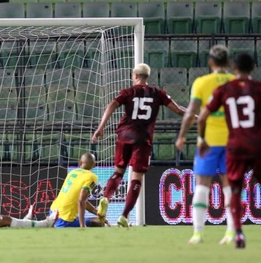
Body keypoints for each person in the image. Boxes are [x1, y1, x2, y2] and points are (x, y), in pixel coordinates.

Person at [92, 63, 190, 228]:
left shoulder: (128, 92)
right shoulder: (158, 93)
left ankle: (106, 198)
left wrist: (101, 127)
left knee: (119, 172)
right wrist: (196, 115)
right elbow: (179, 110)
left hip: (124, 135)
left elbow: (111, 105)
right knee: (136, 179)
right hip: (143, 140)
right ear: (147, 77)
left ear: (135, 75)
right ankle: (124, 216)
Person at [197, 52, 261, 249]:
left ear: (234, 68)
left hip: (234, 144)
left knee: (234, 190)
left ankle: (239, 234)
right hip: (257, 144)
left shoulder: (225, 89)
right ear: (253, 68)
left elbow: (202, 117)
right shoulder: (258, 89)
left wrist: (202, 138)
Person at [175, 44, 236, 245]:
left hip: (207, 141)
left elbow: (191, 111)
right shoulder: (237, 83)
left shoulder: (202, 82)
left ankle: (198, 234)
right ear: (228, 62)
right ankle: (230, 232)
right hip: (232, 141)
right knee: (230, 186)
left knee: (202, 185)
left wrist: (182, 136)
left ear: (210, 62)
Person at [25, 153, 108, 228]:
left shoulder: (72, 172)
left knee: (94, 219)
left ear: (80, 162)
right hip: (65, 219)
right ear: (94, 165)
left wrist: (96, 212)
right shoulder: (91, 177)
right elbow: (81, 200)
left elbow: (80, 199)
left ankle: (42, 222)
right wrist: (83, 225)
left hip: (53, 211)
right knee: (99, 223)